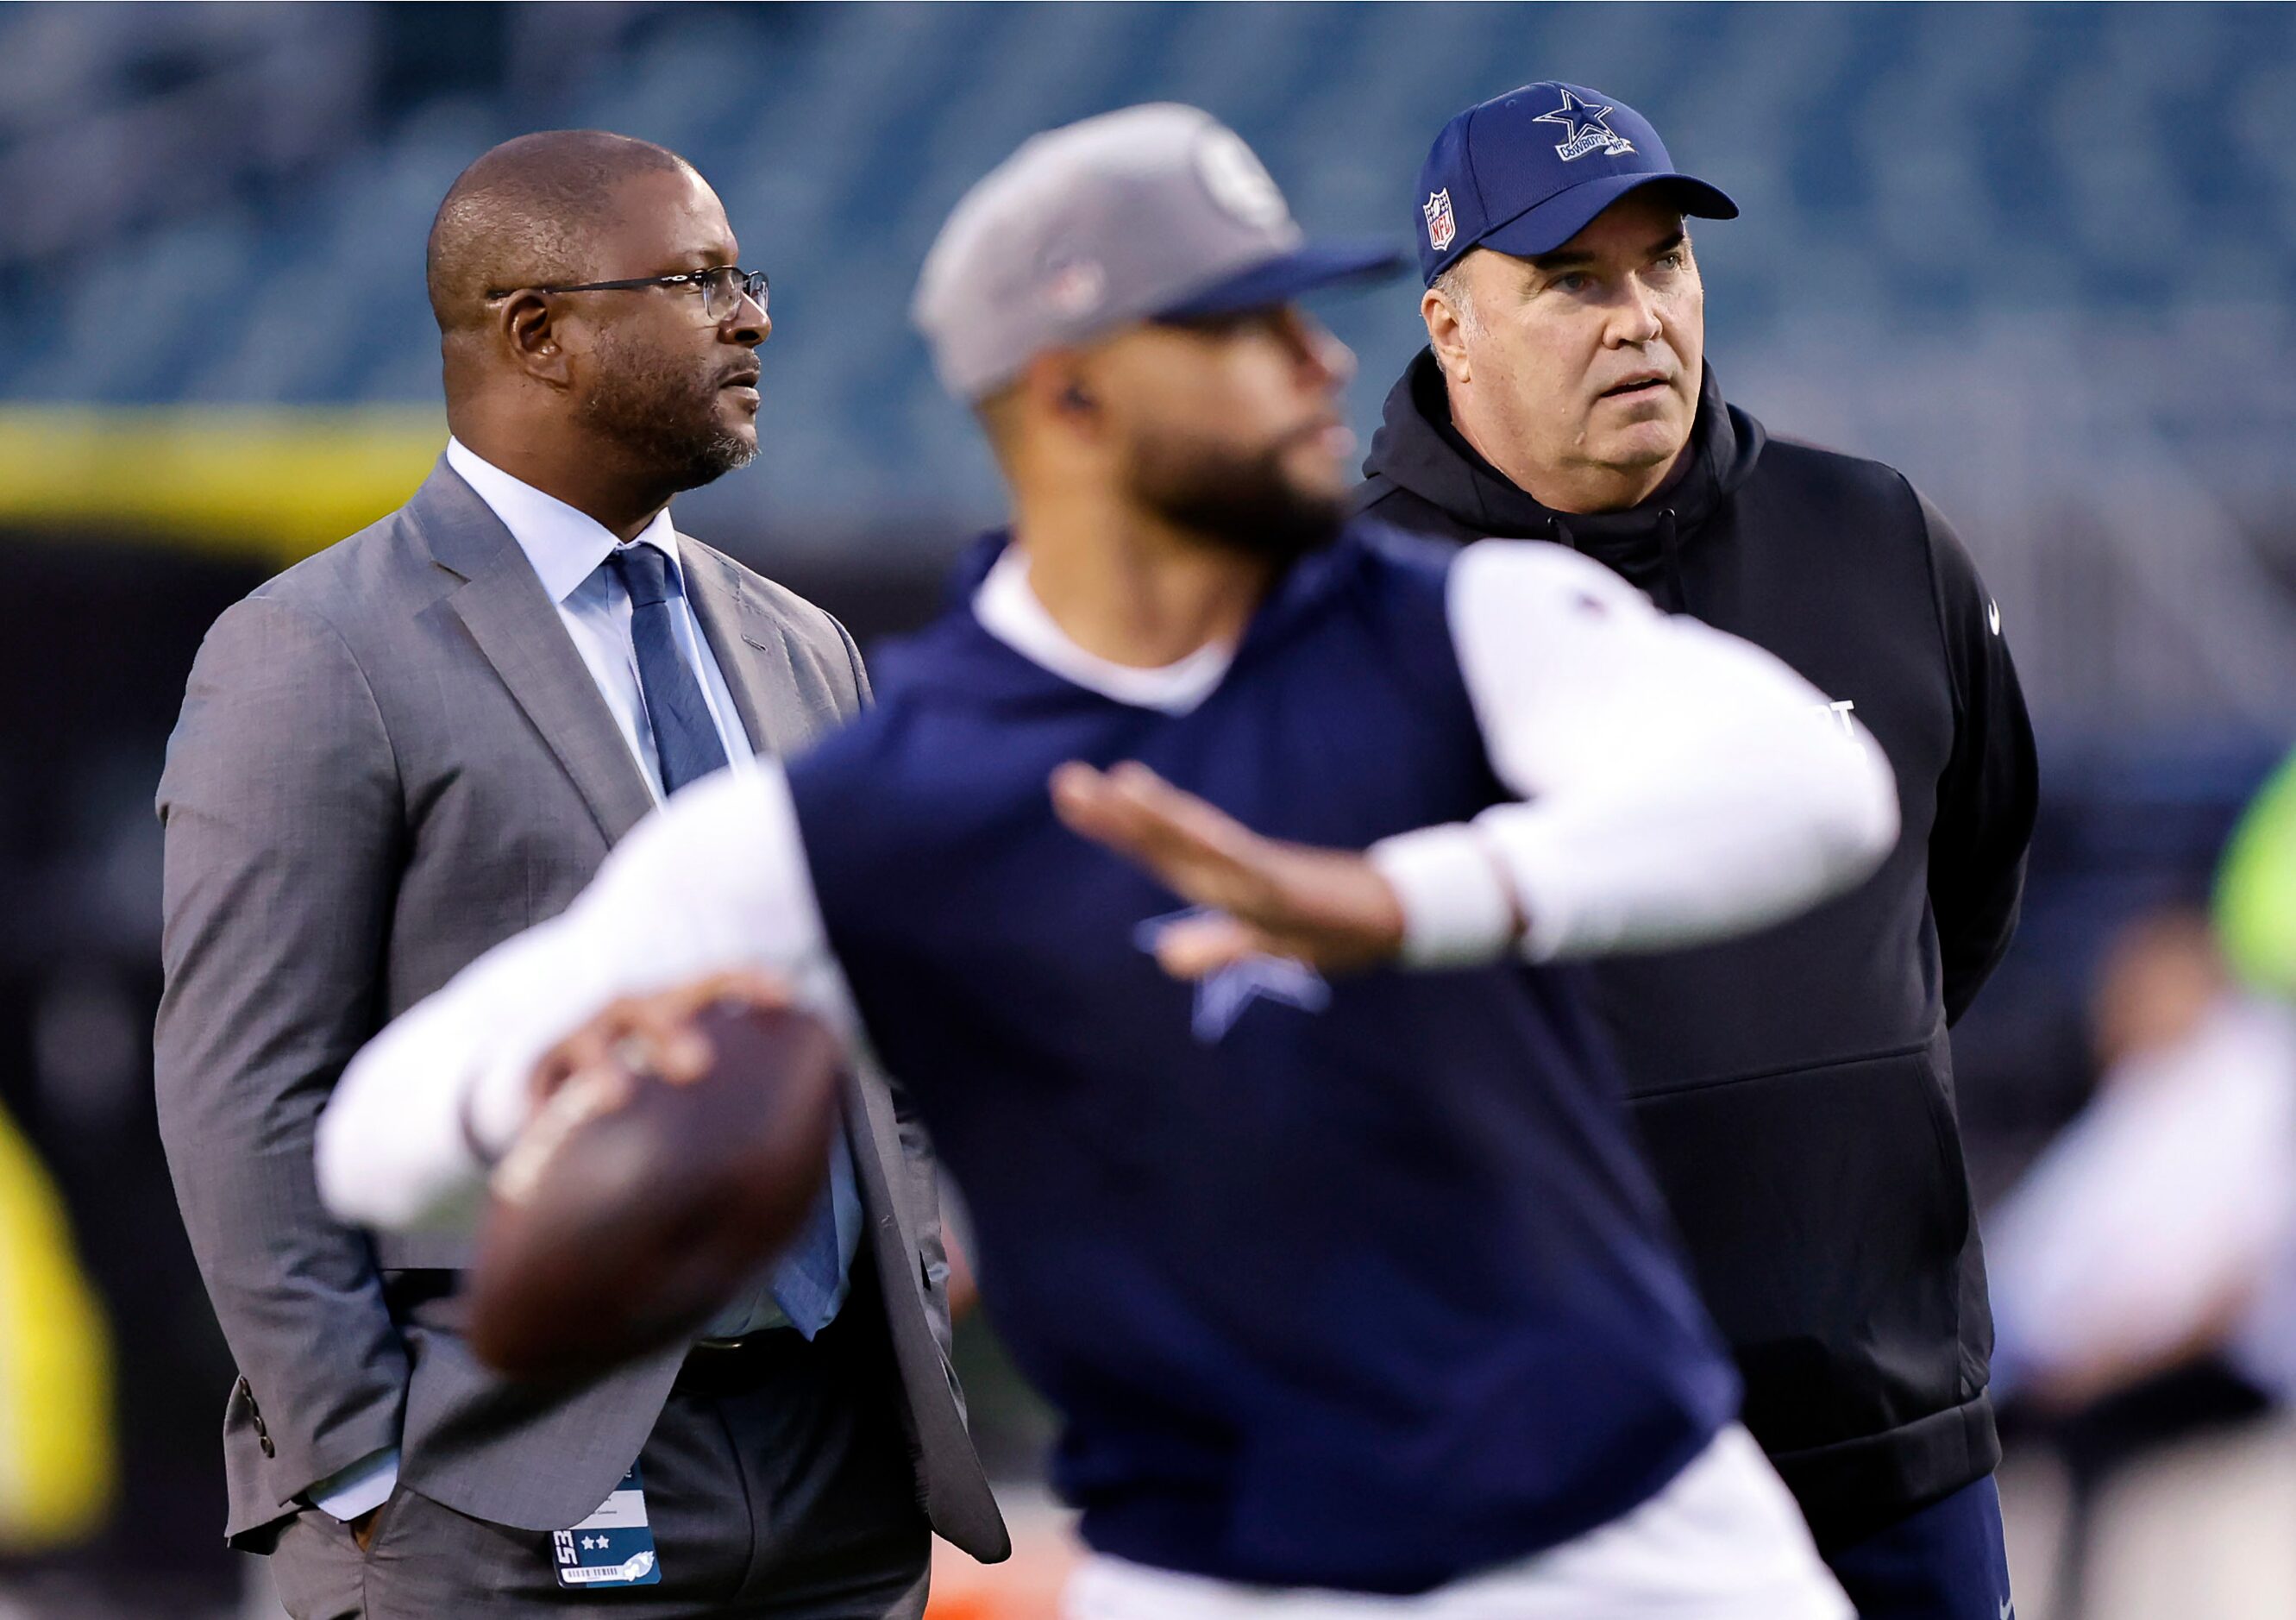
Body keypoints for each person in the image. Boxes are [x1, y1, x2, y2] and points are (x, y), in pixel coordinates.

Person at [318, 104, 1897, 1618]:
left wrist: (1405, 901)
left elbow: (1817, 787)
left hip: (1644, 1538)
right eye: (1239, 329)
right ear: (1069, 395)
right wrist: (557, 1088)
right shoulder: (887, 806)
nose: (1322, 363)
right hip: (1219, 1578)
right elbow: (376, 1139)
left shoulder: (1442, 623)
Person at [154, 129, 1004, 1619]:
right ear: (535, 332)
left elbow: (878, 1022)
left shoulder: (803, 645)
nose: (750, 316)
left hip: (835, 1470)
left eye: (745, 276)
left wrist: (908, 1305)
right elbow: (242, 1089)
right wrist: (366, 1470)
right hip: (497, 1488)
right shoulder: (312, 648)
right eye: (695, 281)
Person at [1356, 81, 2039, 1620]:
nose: (1637, 318)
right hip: (1546, 1480)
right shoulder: (1341, 620)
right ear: (1451, 324)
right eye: (1571, 282)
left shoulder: (1876, 535)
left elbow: (1959, 896)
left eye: (1661, 264)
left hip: (1894, 1440)